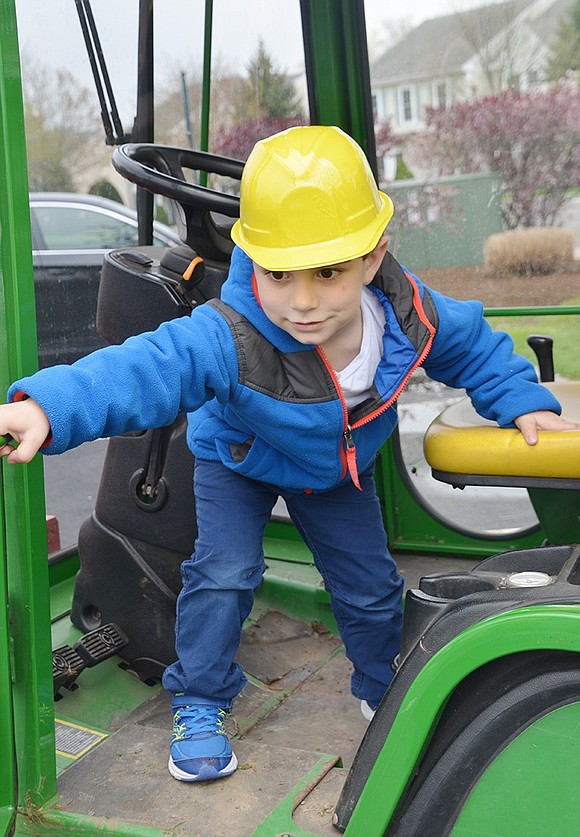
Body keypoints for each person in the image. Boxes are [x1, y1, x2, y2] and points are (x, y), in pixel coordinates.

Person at [1, 125, 578, 784]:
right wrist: (46, 406)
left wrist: (520, 399)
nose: (303, 301)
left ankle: (381, 685)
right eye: (280, 273)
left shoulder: (404, 310)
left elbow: (471, 343)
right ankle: (201, 699)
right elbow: (146, 367)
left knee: (369, 586)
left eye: (328, 272)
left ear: (371, 257)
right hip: (238, 460)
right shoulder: (231, 331)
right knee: (223, 575)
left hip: (332, 470)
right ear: (255, 258)